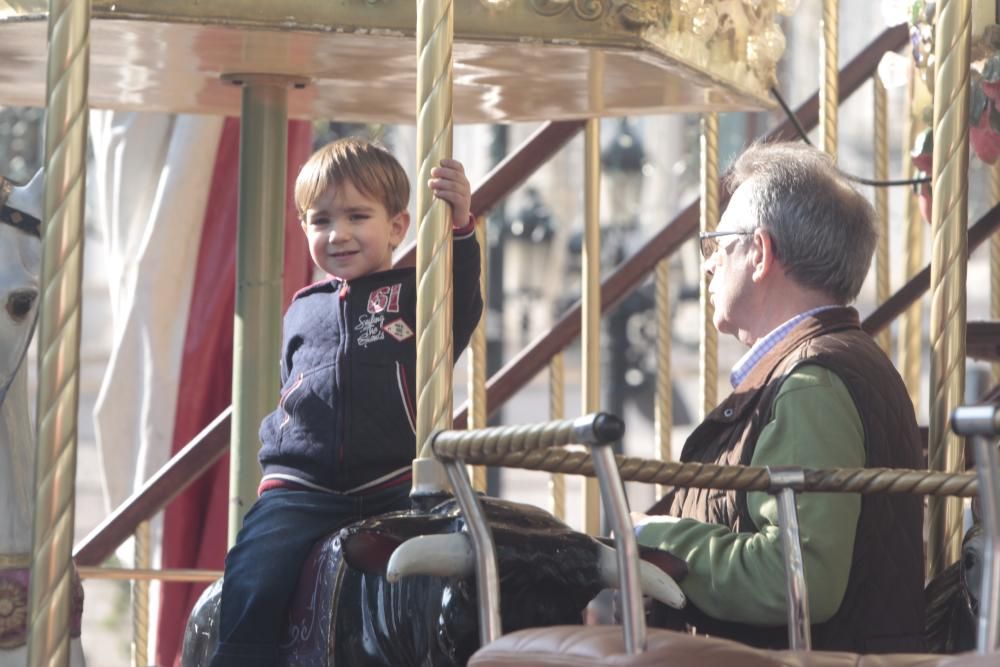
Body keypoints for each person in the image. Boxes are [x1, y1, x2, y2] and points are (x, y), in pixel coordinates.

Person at [635, 141, 924, 653]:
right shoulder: (814, 369)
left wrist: (660, 539)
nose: (707, 266)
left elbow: (798, 578)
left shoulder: (813, 384)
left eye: (716, 245)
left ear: (761, 253)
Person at [209, 138, 483, 666]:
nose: (339, 234)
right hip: (304, 487)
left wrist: (461, 225)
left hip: (394, 481)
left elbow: (462, 299)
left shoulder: (416, 291)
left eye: (359, 216)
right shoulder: (302, 309)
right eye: (321, 220)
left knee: (471, 565)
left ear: (398, 227)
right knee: (255, 570)